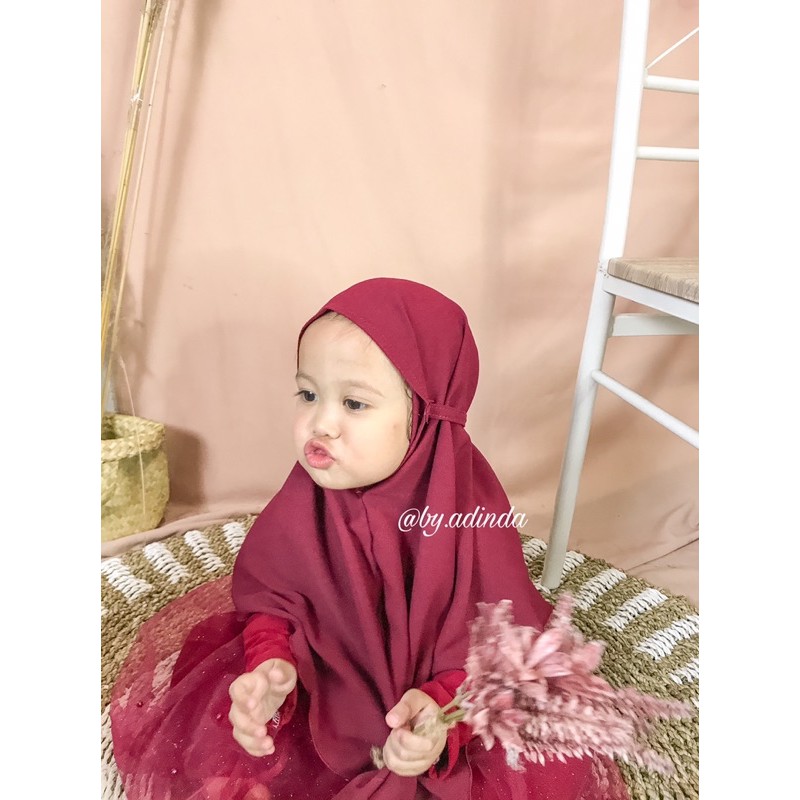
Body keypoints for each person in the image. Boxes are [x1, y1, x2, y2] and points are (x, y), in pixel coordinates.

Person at [110, 278, 630, 800]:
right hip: (326, 691)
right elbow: (277, 597)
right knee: (233, 733)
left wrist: (445, 715)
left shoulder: (467, 517)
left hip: (434, 705)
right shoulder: (306, 501)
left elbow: (498, 646)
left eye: (355, 404)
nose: (321, 423)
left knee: (527, 755)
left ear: (425, 416)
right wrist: (272, 665)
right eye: (308, 394)